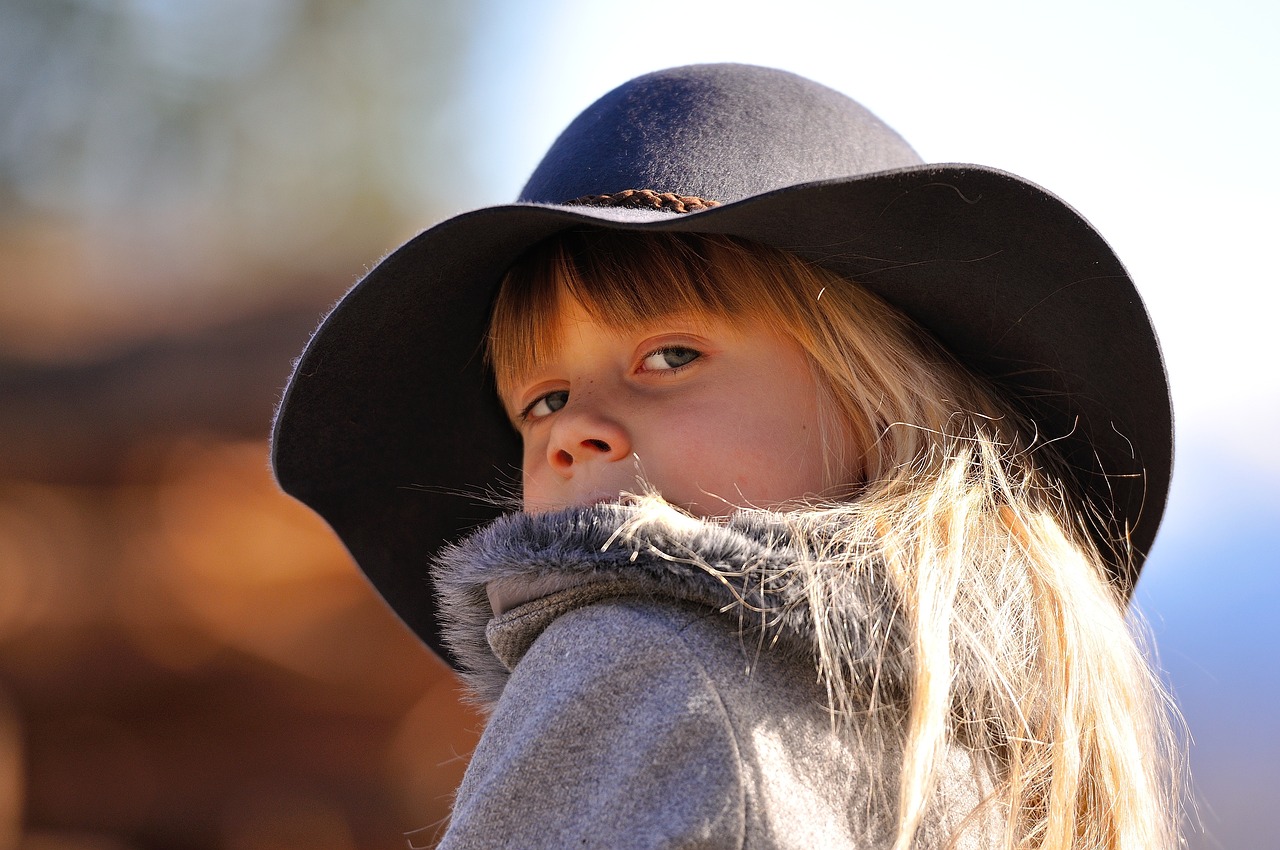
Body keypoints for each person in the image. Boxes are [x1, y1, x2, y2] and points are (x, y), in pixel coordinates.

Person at [272, 64, 1182, 849]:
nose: (570, 431)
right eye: (540, 401)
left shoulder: (634, 660)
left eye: (668, 357)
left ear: (882, 405)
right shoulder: (1011, 760)